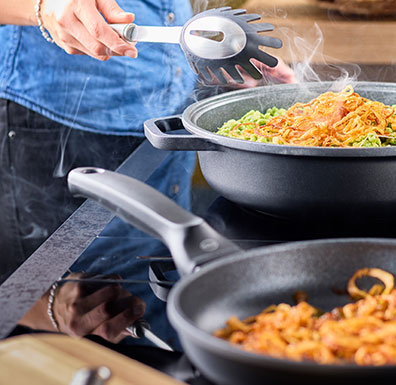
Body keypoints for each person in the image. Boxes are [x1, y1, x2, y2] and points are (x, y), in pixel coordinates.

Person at [1, 0, 295, 342]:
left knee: (156, 309)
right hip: (56, 126)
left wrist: (215, 48)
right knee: (77, 322)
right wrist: (43, 6)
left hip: (167, 121)